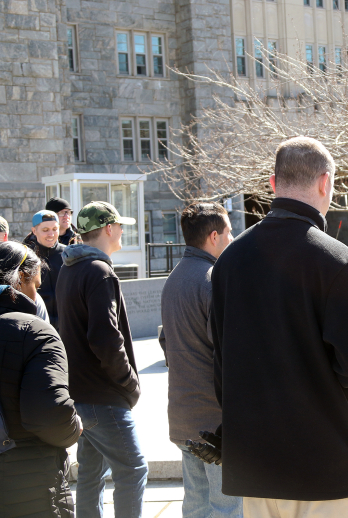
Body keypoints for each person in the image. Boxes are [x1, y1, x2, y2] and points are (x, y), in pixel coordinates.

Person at [209, 137, 348, 518]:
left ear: (273, 185)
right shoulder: (338, 261)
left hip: (256, 468)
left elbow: (222, 370)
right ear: (326, 184)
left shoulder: (228, 261)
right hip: (328, 469)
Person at [55, 201, 147, 518]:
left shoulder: (70, 269)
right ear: (109, 229)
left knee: (92, 478)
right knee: (133, 469)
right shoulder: (99, 271)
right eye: (120, 226)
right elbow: (104, 337)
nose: (122, 231)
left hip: (80, 396)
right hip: (104, 397)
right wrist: (129, 382)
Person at [160, 202, 241, 518]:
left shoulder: (174, 278)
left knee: (195, 506)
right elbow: (230, 354)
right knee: (229, 508)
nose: (232, 238)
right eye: (229, 232)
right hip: (216, 425)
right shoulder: (213, 280)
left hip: (184, 416)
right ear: (214, 235)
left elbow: (167, 342)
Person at [0, 241, 82, 517]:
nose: (37, 294)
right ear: (21, 279)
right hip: (27, 485)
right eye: (35, 284)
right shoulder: (34, 331)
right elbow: (50, 415)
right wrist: (74, 427)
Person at [23, 210, 65, 329]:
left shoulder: (68, 254)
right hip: (37, 324)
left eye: (55, 229)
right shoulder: (26, 256)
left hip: (66, 326)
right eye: (45, 230)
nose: (51, 234)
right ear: (34, 231)